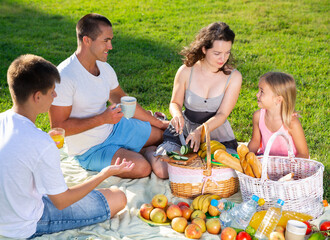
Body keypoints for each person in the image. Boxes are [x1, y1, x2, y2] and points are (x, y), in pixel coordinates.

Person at [0, 54, 134, 239]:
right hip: (24, 224)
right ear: (37, 96)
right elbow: (62, 201)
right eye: (52, 91)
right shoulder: (41, 143)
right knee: (118, 197)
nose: (55, 96)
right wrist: (105, 174)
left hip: (8, 212)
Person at [49, 13, 168, 178]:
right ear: (87, 40)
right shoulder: (65, 76)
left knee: (162, 135)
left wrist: (160, 124)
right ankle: (142, 151)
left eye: (110, 40)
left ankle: (142, 149)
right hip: (90, 149)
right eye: (106, 41)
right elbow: (58, 127)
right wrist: (102, 119)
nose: (110, 46)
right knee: (142, 168)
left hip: (115, 128)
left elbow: (123, 100)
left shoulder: (104, 68)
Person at [147, 22, 242, 179]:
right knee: (164, 170)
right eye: (217, 53)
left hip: (215, 132)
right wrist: (177, 115)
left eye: (227, 53)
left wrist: (201, 131)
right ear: (204, 49)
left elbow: (223, 114)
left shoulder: (234, 77)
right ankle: (150, 152)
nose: (223, 58)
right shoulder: (186, 70)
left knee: (221, 173)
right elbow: (175, 103)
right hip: (185, 131)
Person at [247, 72, 309, 158]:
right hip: (267, 161)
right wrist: (246, 157)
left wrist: (290, 167)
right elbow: (255, 141)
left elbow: (303, 154)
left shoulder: (291, 123)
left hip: (290, 164)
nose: (257, 94)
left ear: (278, 99)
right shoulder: (258, 116)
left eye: (262, 92)